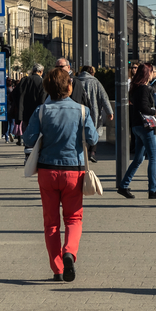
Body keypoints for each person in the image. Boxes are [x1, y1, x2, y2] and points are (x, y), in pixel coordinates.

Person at [23, 67, 98, 282]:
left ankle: (57, 269)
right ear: (69, 87)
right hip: (73, 171)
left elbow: (28, 139)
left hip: (47, 171)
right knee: (74, 218)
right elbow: (92, 138)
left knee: (51, 222)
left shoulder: (41, 111)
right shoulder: (81, 110)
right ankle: (69, 252)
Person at [117, 63, 156, 199]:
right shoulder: (144, 88)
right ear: (148, 73)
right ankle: (152, 190)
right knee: (153, 157)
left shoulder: (135, 88)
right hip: (145, 126)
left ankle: (123, 185)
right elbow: (145, 108)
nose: (153, 74)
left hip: (136, 126)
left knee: (138, 158)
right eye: (152, 72)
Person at [77, 65, 113, 164]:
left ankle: (82, 153)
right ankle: (92, 152)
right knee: (94, 131)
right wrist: (109, 112)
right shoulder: (96, 82)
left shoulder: (76, 82)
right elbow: (104, 97)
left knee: (80, 132)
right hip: (94, 112)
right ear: (92, 73)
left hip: (79, 111)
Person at [17, 63, 46, 132]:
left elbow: (16, 94)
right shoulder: (42, 82)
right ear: (41, 71)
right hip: (37, 114)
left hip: (25, 113)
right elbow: (43, 99)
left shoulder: (24, 81)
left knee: (26, 134)